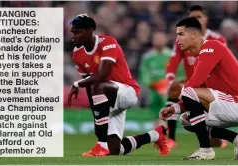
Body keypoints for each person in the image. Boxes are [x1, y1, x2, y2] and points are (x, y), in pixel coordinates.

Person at [68, 14, 169, 156]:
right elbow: (90, 89)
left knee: (99, 83)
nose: (73, 36)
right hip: (108, 99)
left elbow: (101, 76)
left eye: (77, 32)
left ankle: (101, 145)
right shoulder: (77, 54)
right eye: (72, 32)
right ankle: (154, 135)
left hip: (127, 92)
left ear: (90, 30)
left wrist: (76, 83)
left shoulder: (108, 42)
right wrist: (97, 116)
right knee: (116, 150)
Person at [160, 17, 238, 160]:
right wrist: (175, 108)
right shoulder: (200, 59)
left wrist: (181, 95)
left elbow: (193, 85)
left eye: (180, 34)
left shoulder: (212, 46)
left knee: (188, 91)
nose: (177, 39)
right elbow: (195, 95)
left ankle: (206, 150)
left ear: (194, 35)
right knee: (186, 120)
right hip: (227, 106)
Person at [165, 5, 227, 149]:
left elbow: (221, 67)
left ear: (206, 19)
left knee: (215, 143)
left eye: (199, 17)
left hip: (212, 86)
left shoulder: (217, 39)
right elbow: (173, 62)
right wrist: (170, 80)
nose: (196, 20)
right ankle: (172, 139)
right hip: (192, 85)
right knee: (173, 90)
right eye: (193, 17)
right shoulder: (181, 40)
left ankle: (220, 134)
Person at [139, 31, 184, 126]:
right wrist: (153, 85)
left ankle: (163, 133)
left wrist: (172, 85)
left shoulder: (172, 55)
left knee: (166, 110)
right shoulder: (147, 57)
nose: (159, 41)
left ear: (166, 40)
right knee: (155, 113)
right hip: (153, 90)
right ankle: (159, 134)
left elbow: (180, 73)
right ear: (152, 41)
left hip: (169, 89)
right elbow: (144, 73)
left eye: (161, 38)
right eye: (156, 39)